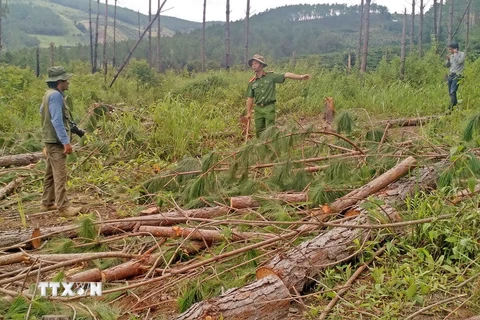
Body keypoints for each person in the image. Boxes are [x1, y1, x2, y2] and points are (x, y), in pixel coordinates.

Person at [40, 66, 83, 217]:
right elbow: (57, 120)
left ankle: (47, 202)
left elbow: (42, 113)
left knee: (50, 173)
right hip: (56, 142)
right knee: (60, 174)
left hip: (49, 140)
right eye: (66, 80)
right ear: (59, 82)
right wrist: (66, 142)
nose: (68, 82)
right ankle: (63, 207)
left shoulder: (48, 94)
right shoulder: (56, 96)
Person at [245, 54, 311, 138]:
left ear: (261, 65)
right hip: (258, 109)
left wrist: (301, 77)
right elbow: (250, 98)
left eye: (255, 63)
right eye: (252, 64)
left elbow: (286, 75)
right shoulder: (252, 82)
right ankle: (262, 150)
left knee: (270, 131)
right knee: (259, 132)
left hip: (269, 107)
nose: (253, 66)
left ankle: (271, 149)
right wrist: (248, 112)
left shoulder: (271, 76)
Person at [445, 42, 465, 112]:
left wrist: (456, 54)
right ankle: (455, 107)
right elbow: (447, 66)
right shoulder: (451, 56)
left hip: (458, 75)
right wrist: (448, 60)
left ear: (455, 49)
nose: (449, 51)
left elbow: (460, 61)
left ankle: (451, 108)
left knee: (453, 91)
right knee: (450, 92)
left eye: (450, 49)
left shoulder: (462, 54)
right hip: (451, 75)